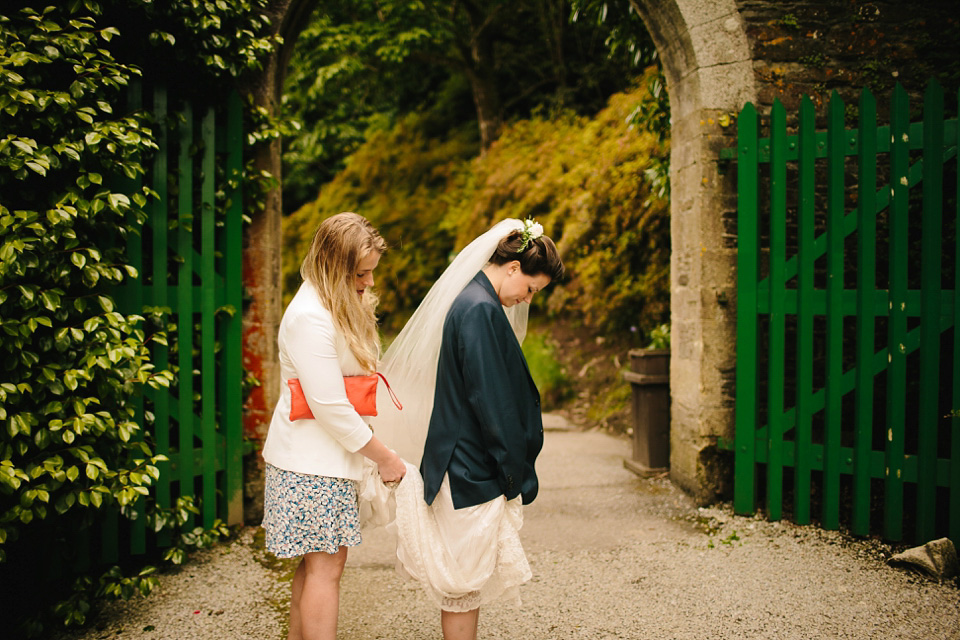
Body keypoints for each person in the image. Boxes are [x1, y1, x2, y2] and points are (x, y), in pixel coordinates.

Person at [374, 218, 564, 640]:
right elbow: (489, 403)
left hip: (463, 464)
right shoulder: (479, 308)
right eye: (531, 289)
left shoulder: (476, 301)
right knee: (462, 583)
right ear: (513, 269)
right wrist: (513, 475)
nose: (526, 299)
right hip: (469, 470)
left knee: (466, 583)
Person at [260, 212, 406, 640]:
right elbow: (329, 406)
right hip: (311, 466)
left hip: (320, 462)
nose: (370, 283)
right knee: (326, 568)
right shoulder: (310, 317)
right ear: (334, 266)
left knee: (315, 565)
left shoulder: (327, 306)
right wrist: (385, 457)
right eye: (362, 274)